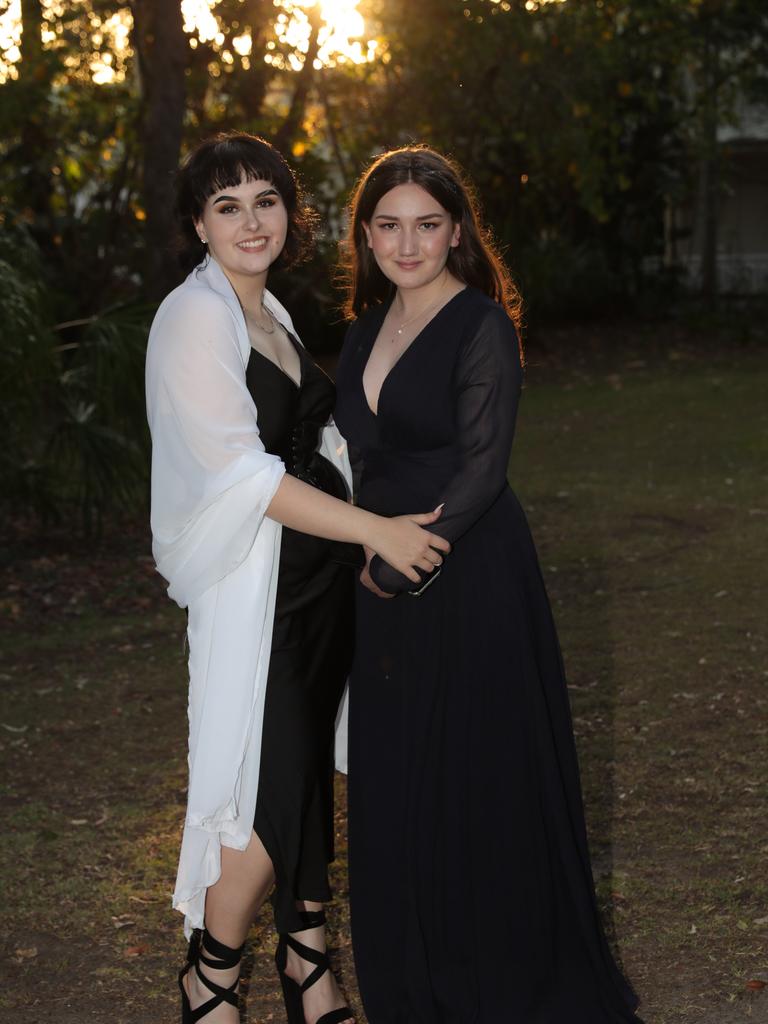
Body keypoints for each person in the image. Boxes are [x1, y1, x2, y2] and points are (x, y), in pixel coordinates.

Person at [333, 145, 644, 1023]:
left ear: (457, 232)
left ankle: (503, 982)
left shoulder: (481, 326)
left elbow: (481, 469)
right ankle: (414, 981)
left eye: (426, 225)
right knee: (397, 783)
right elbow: (349, 450)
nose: (407, 243)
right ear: (366, 235)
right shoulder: (363, 329)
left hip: (462, 570)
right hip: (376, 575)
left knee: (479, 781)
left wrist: (400, 562)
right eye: (388, 226)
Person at [144, 132, 450, 1024]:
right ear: (197, 224)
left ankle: (308, 962)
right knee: (266, 798)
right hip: (260, 586)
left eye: (266, 200)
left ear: (290, 213)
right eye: (227, 205)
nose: (250, 221)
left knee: (308, 771)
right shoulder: (193, 317)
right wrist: (377, 532)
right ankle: (210, 973)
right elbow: (244, 476)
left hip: (319, 582)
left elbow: (317, 440)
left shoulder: (266, 309)